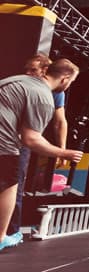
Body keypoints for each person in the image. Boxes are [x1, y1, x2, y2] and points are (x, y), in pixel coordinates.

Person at [0, 57, 82, 250]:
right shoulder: (44, 97)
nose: (69, 85)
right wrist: (64, 152)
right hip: (3, 145)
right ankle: (1, 236)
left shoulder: (17, 80)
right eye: (71, 82)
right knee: (10, 184)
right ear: (65, 78)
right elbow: (31, 139)